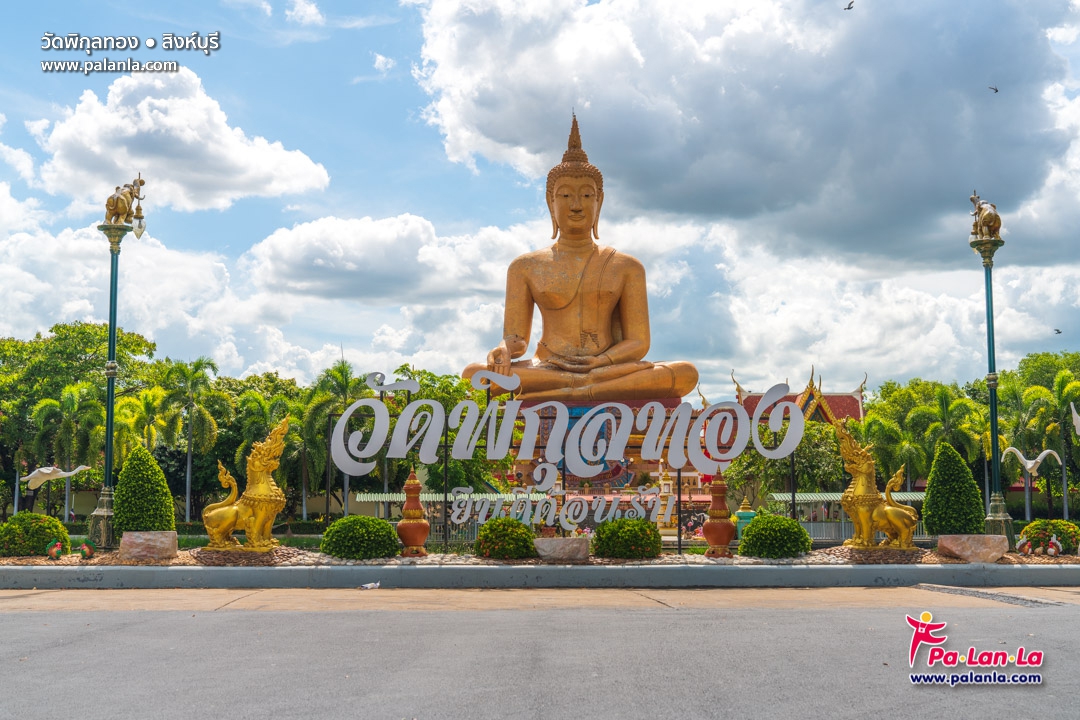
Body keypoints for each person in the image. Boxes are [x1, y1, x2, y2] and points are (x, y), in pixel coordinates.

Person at [463, 116, 698, 401]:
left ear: (600, 201)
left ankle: (582, 387)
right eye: (565, 196)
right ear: (550, 202)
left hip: (606, 368)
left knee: (685, 372)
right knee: (474, 374)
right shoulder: (525, 267)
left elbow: (638, 342)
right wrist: (503, 349)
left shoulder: (627, 267)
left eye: (587, 195)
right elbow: (517, 339)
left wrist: (600, 363)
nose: (576, 205)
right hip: (547, 366)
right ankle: (582, 387)